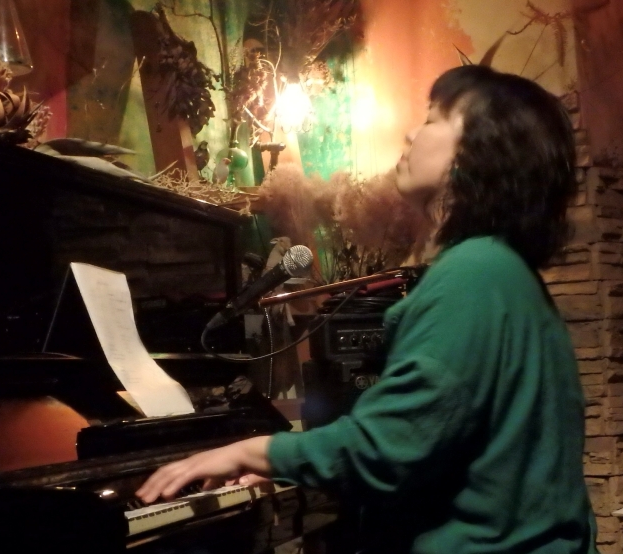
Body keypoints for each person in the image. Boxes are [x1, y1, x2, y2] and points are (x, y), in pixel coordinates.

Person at [137, 64, 599, 554]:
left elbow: (389, 446)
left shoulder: (474, 274)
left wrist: (253, 451)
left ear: (482, 152)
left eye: (433, 118)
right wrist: (294, 465)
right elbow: (432, 453)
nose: (410, 133)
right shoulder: (500, 270)